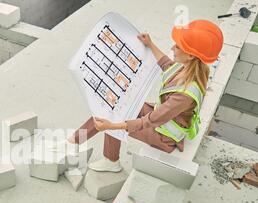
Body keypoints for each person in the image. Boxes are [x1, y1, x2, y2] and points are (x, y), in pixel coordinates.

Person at [64, 20, 223, 172]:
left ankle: (107, 160)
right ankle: (74, 141)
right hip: (163, 122)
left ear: (190, 55)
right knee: (115, 105)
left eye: (178, 47)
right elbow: (167, 64)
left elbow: (152, 119)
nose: (173, 48)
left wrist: (111, 127)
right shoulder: (189, 70)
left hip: (164, 137)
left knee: (112, 116)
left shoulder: (185, 95)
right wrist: (150, 44)